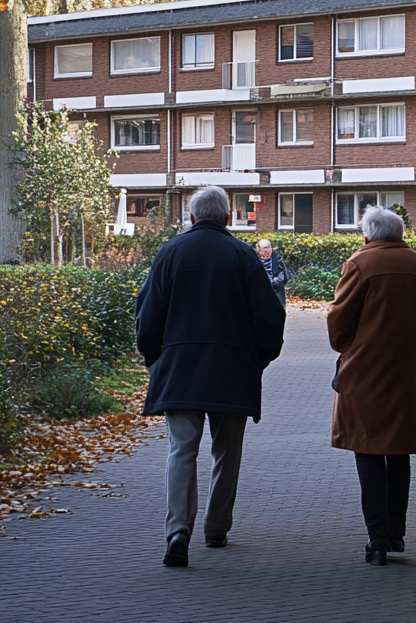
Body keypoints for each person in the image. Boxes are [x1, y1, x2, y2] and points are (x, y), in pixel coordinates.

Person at [136, 186, 286, 568]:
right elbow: (270, 317)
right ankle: (216, 527)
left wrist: (156, 359)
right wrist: (258, 360)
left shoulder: (169, 253)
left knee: (181, 450)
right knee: (227, 451)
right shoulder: (243, 256)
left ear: (191, 217)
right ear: (226, 217)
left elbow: (148, 315)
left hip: (181, 368)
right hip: (232, 370)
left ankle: (177, 531)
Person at [327, 205, 416, 566]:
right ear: (400, 235)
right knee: (398, 452)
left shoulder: (358, 265)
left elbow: (339, 323)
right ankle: (396, 534)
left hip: (364, 374)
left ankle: (377, 538)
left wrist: (354, 346)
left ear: (367, 235)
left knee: (367, 450)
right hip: (408, 374)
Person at [255, 238, 289, 306]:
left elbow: (283, 274)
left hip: (275, 287)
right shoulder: (255, 260)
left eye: (268, 247)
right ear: (259, 250)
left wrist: (276, 280)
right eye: (264, 248)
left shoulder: (277, 259)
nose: (266, 251)